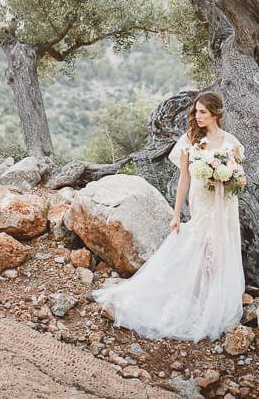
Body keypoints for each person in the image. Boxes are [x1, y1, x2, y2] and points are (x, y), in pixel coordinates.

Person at [90, 91, 246, 341]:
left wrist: (225, 177)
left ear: (216, 113)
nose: (197, 116)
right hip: (201, 201)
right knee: (199, 244)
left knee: (219, 248)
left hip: (224, 205)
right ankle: (189, 299)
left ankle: (211, 302)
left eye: (203, 112)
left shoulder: (231, 143)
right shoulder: (189, 140)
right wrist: (175, 214)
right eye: (195, 112)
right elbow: (184, 178)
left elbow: (239, 177)